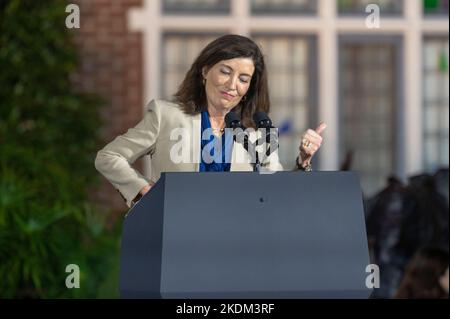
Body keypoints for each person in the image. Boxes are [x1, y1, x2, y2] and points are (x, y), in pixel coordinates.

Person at [95, 34, 326, 208]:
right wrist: (144, 190)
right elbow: (109, 157)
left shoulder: (257, 132)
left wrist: (303, 161)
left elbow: (276, 191)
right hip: (176, 238)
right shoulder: (166, 115)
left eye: (243, 79)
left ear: (249, 88)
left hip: (236, 243)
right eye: (225, 71)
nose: (232, 84)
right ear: (205, 70)